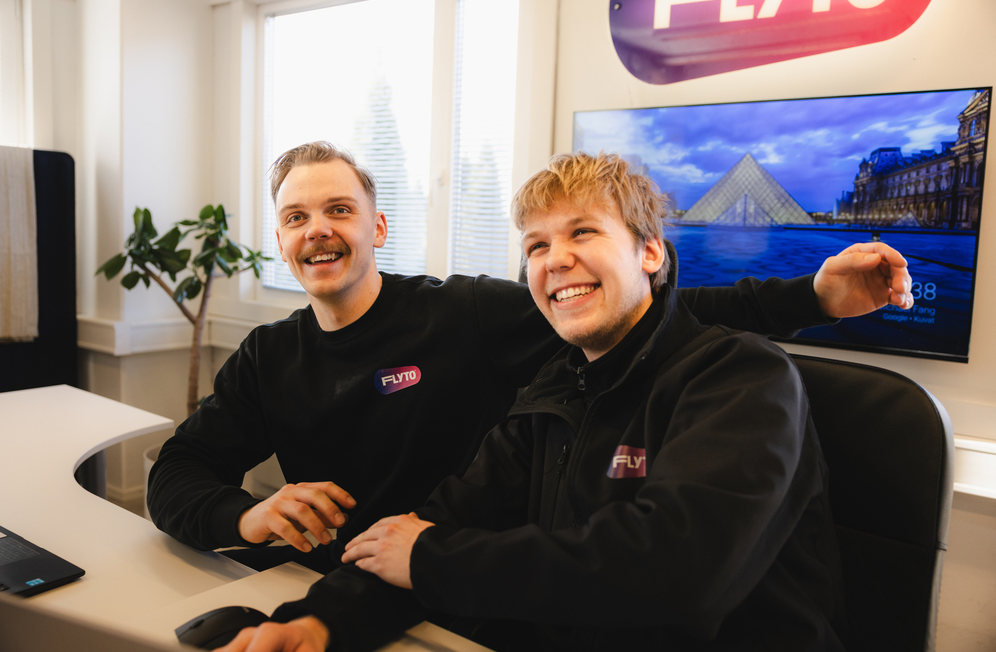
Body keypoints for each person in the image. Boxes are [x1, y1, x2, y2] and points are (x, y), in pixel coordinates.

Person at [147, 141, 911, 579]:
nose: (317, 229)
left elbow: (653, 311)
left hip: (454, 583)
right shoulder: (268, 355)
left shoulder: (463, 313)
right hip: (340, 588)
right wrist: (244, 514)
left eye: (339, 209)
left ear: (377, 227)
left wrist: (811, 296)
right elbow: (175, 472)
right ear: (279, 240)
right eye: (296, 217)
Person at [226, 152, 847, 652]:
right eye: (536, 247)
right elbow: (444, 521)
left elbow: (678, 571)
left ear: (651, 252)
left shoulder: (741, 377)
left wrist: (432, 559)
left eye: (583, 231)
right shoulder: (555, 389)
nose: (557, 260)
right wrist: (320, 622)